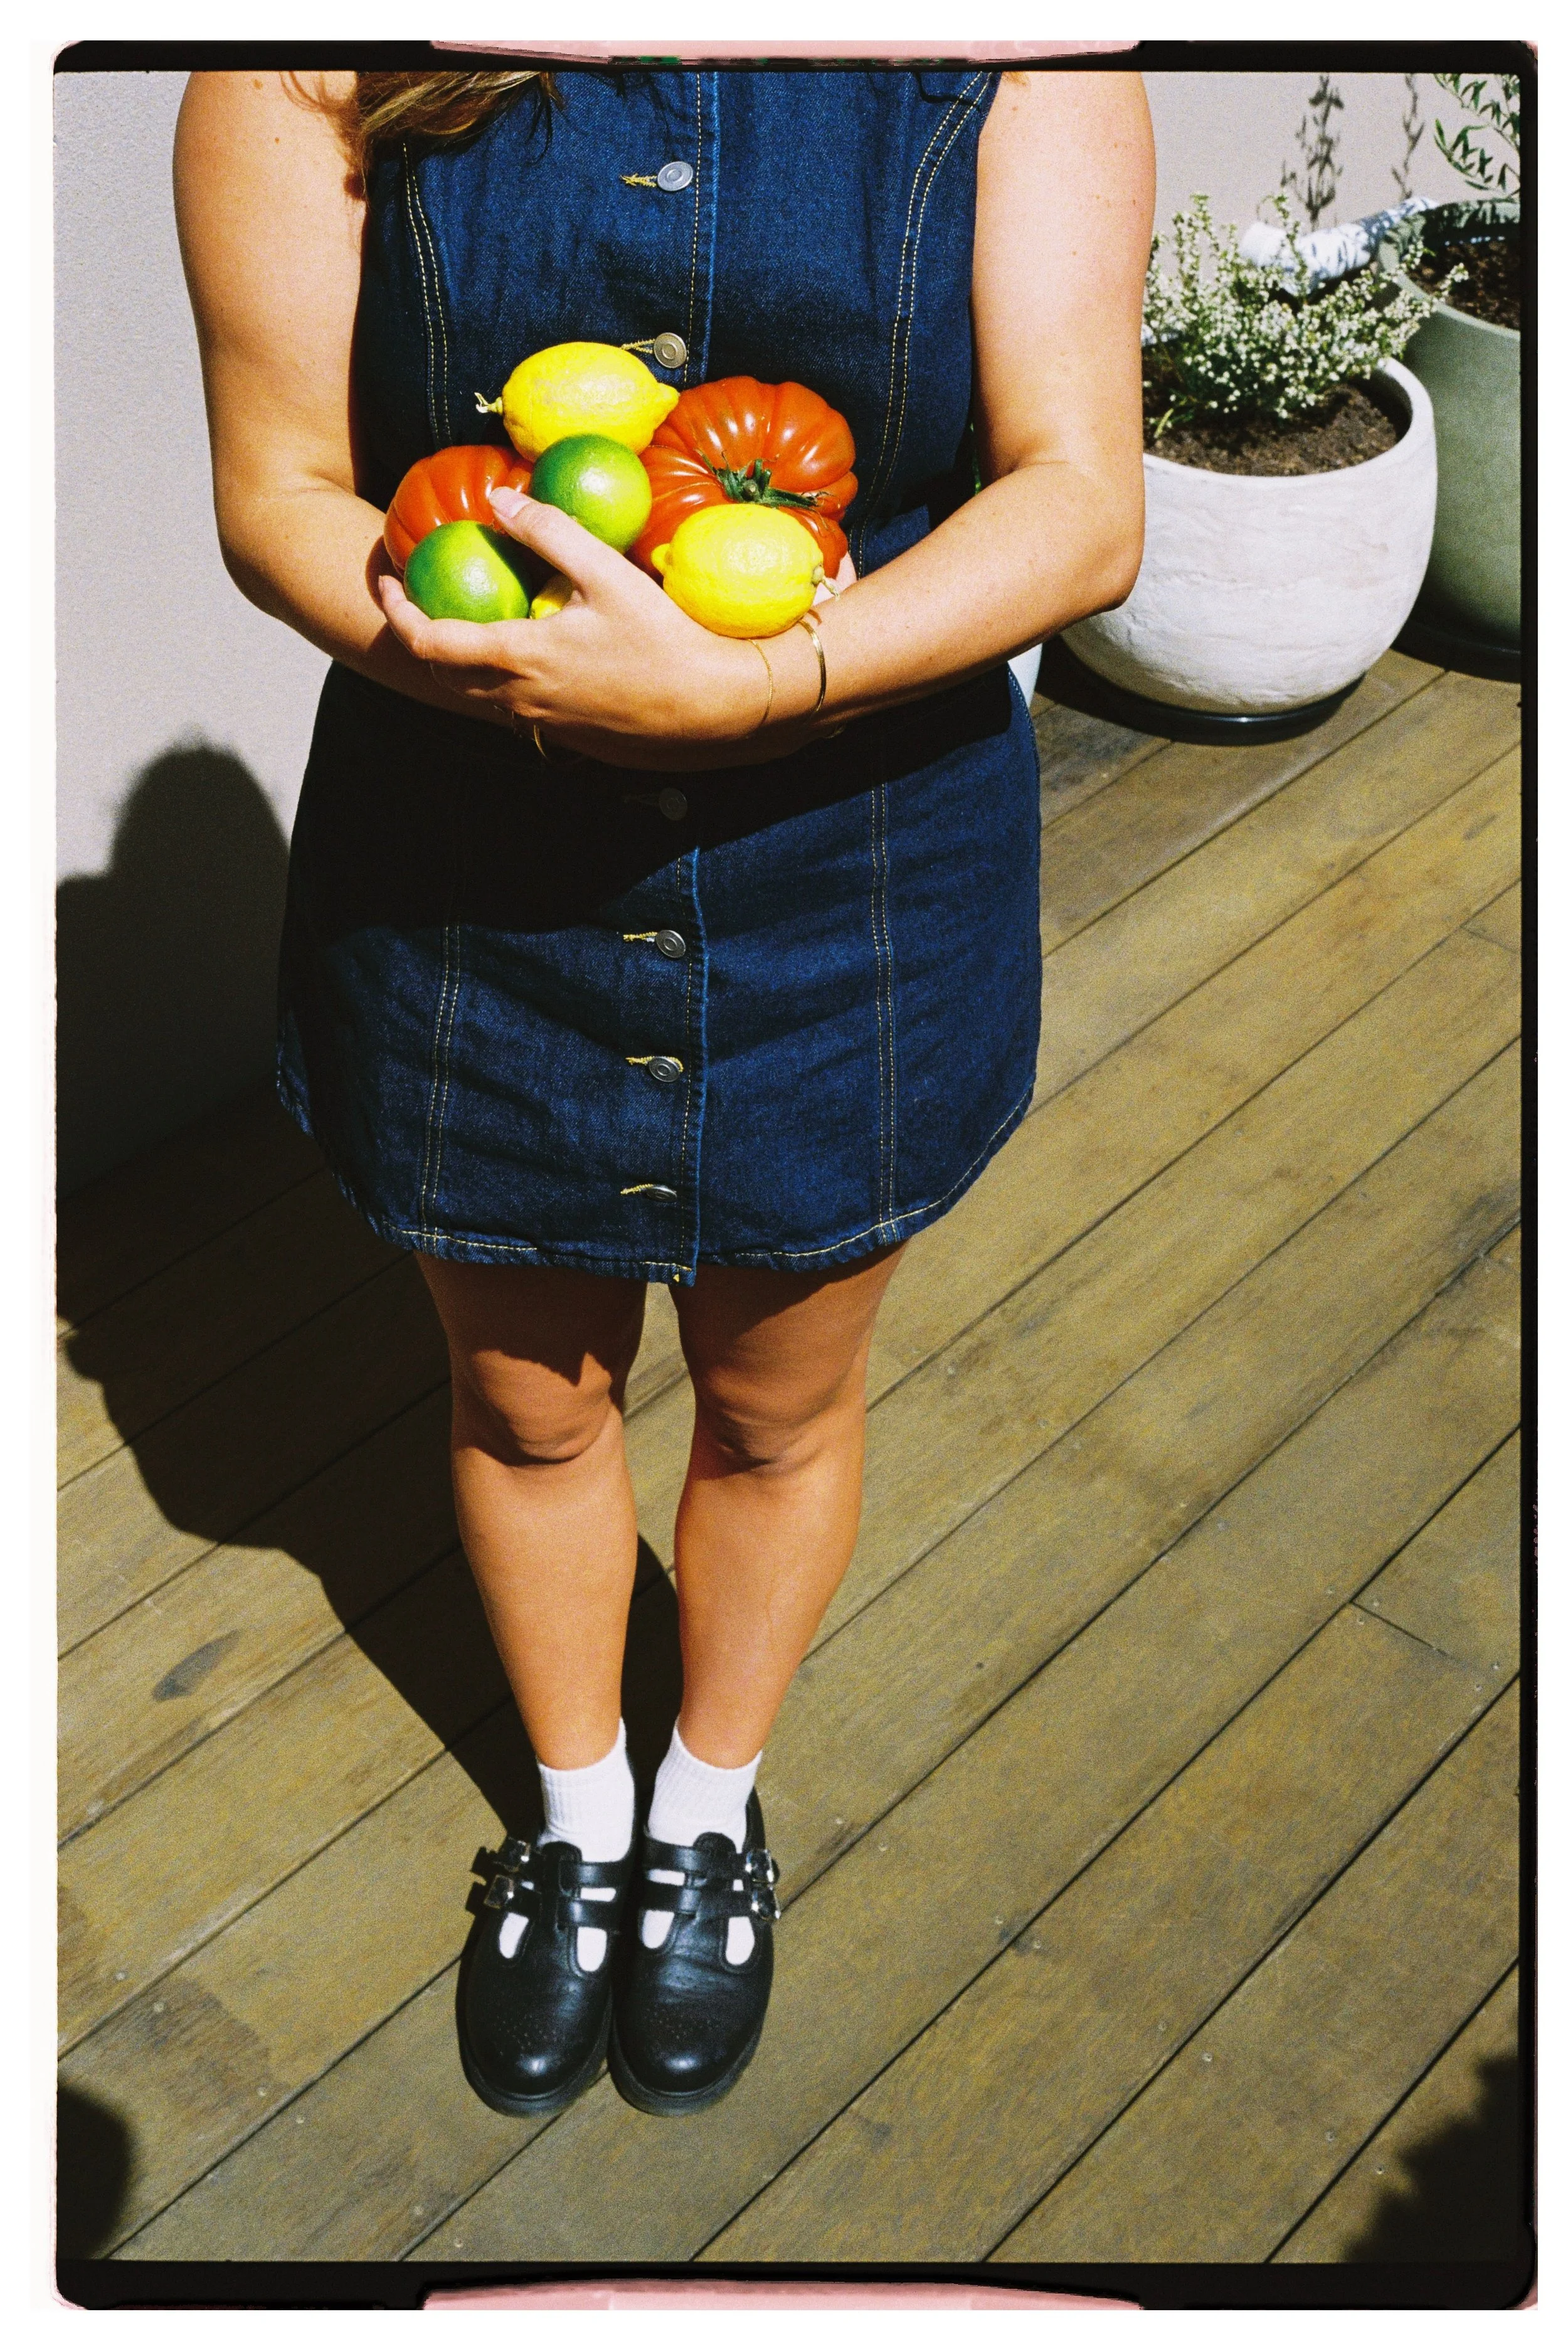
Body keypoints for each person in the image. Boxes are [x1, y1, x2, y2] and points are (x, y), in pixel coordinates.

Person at [172, 60, 1153, 2122]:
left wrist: (771, 677)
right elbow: (278, 481)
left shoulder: (1021, 46)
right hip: (467, 858)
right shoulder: (307, 50)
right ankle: (574, 1816)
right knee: (523, 1403)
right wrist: (501, 662)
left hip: (856, 850)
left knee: (780, 1404)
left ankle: (704, 1808)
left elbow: (1081, 494)